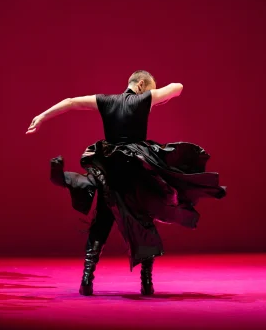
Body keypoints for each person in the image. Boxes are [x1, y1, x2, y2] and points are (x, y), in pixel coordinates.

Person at [26, 70, 227, 296]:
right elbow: (178, 86)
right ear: (141, 85)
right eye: (149, 89)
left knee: (102, 221)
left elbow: (71, 102)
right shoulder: (144, 99)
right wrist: (156, 97)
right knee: (144, 223)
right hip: (136, 175)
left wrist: (42, 116)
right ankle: (147, 283)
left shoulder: (106, 101)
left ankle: (86, 280)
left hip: (111, 173)